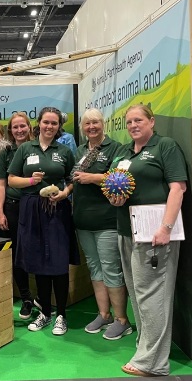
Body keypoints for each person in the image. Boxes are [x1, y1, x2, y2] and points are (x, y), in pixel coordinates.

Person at [108, 104, 187, 377]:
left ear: (151, 121)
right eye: (129, 122)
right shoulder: (124, 153)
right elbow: (114, 186)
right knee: (139, 295)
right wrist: (114, 197)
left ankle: (153, 363)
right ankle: (145, 348)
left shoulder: (165, 146)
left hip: (156, 234)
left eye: (138, 120)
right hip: (128, 231)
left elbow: (178, 188)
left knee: (152, 295)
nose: (133, 125)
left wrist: (166, 227)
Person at [8, 107, 77, 336]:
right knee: (38, 260)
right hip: (31, 209)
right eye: (46, 122)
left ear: (59, 126)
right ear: (39, 123)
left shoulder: (65, 151)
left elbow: (71, 180)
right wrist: (30, 181)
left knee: (58, 261)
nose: (49, 127)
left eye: (54, 123)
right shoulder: (25, 149)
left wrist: (65, 194)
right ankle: (45, 313)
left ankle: (61, 316)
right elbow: (11, 180)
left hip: (58, 209)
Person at [72, 108, 131, 340]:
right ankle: (104, 314)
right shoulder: (79, 151)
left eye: (95, 122)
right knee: (95, 268)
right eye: (87, 124)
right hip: (83, 220)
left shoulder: (116, 148)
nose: (91, 127)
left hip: (107, 220)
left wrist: (93, 178)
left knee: (111, 268)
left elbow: (121, 178)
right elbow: (73, 180)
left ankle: (122, 320)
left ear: (103, 124)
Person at [0, 112, 36, 319]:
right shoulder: (6, 152)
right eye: (15, 127)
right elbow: (1, 183)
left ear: (29, 127)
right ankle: (26, 298)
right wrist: (0, 211)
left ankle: (42, 298)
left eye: (23, 126)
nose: (19, 130)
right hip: (12, 208)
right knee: (17, 254)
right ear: (10, 130)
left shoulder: (39, 148)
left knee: (36, 250)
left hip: (36, 207)